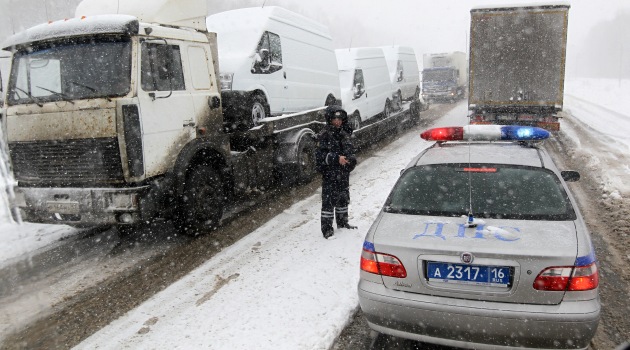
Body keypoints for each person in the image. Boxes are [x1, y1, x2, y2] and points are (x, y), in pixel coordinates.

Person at [316, 105, 358, 239]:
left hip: (343, 173)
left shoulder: (345, 133)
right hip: (330, 174)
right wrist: (335, 159)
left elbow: (351, 151)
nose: (337, 121)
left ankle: (343, 222)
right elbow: (320, 157)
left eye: (340, 118)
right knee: (328, 201)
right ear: (329, 119)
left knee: (343, 198)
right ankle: (327, 229)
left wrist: (350, 161)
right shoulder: (324, 135)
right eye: (334, 118)